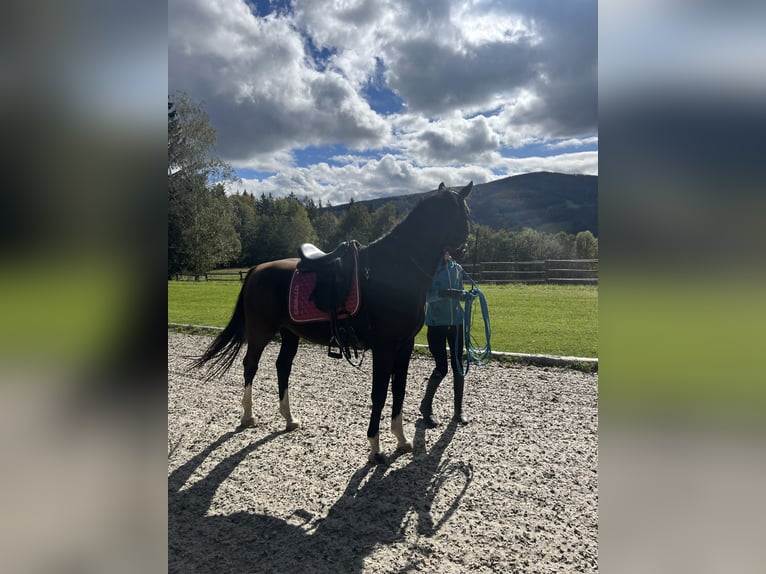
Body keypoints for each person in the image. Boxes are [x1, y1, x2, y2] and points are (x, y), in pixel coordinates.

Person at [419, 250, 470, 427]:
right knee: (442, 367)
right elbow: (424, 297)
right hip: (436, 325)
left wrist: (466, 296)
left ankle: (458, 410)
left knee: (458, 366)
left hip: (456, 323)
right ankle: (426, 406)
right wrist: (443, 294)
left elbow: (460, 292)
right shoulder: (429, 269)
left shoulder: (457, 269)